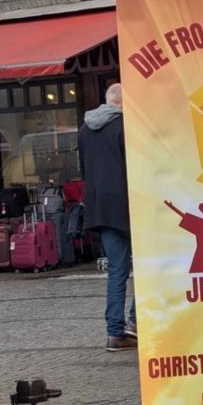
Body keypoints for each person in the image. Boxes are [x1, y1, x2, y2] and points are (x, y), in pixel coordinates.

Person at [81, 84, 135, 351]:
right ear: (123, 103)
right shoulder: (125, 126)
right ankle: (137, 322)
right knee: (147, 267)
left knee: (117, 270)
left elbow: (85, 168)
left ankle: (115, 332)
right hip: (128, 205)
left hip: (99, 207)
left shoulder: (85, 129)